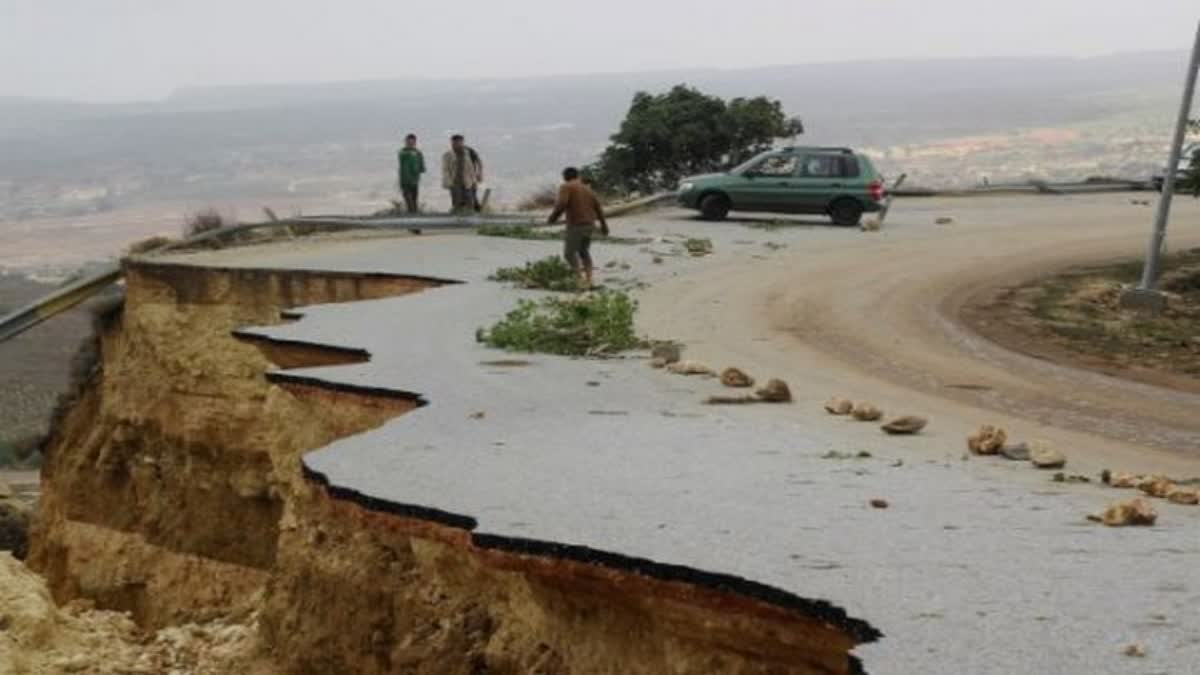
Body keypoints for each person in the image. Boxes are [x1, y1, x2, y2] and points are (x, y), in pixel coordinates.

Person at [548, 166, 608, 290]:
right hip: (589, 225)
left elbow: (562, 203)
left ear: (565, 177)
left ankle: (579, 279)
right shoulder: (588, 189)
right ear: (578, 176)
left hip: (576, 224)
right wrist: (604, 226)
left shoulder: (566, 186)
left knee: (569, 253)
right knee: (583, 252)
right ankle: (590, 280)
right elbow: (598, 208)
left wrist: (553, 217)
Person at [441, 134, 483, 212]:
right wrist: (448, 182)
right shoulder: (447, 155)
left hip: (467, 182)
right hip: (455, 182)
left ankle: (471, 220)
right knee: (457, 203)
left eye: (459, 142)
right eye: (455, 142)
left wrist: (478, 175)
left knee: (470, 202)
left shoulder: (468, 153)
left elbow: (474, 166)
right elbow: (445, 170)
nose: (457, 144)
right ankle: (457, 221)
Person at [397, 133, 425, 214]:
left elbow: (422, 167)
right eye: (408, 142)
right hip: (405, 182)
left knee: (414, 201)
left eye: (412, 142)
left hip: (414, 181)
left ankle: (415, 223)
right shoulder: (403, 152)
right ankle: (412, 220)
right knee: (409, 202)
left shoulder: (418, 153)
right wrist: (411, 155)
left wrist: (418, 169)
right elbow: (402, 157)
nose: (410, 144)